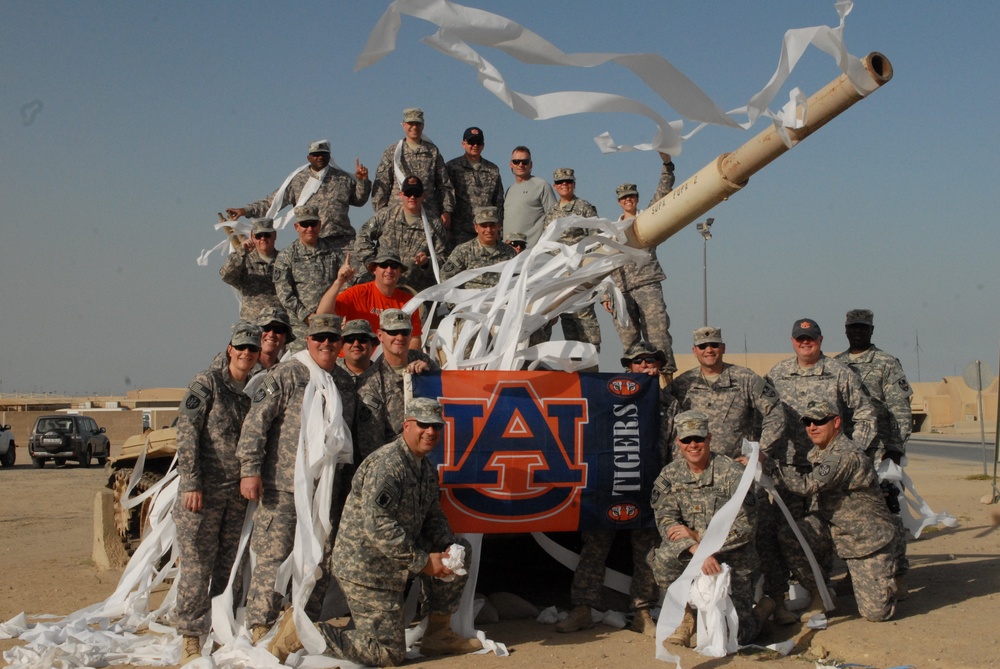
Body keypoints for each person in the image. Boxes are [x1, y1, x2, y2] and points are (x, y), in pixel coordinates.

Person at [268, 398, 482, 666]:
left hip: (394, 561)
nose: (430, 432)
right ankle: (302, 632)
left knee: (461, 550)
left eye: (436, 427)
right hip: (367, 568)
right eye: (423, 425)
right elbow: (378, 526)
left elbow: (432, 516)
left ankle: (438, 633)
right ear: (407, 426)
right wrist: (424, 562)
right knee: (387, 653)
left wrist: (447, 547)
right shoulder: (388, 466)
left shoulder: (423, 468)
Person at [236, 315, 356, 642]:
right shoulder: (287, 374)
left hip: (326, 491)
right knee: (273, 559)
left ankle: (301, 626)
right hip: (283, 487)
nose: (326, 344)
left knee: (320, 560)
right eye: (320, 337)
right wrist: (249, 470)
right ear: (308, 340)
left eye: (332, 338)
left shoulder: (343, 383)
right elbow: (256, 424)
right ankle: (260, 626)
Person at [667, 326, 792, 622]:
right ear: (694, 351)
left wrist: (760, 450)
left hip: (740, 479)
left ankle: (777, 600)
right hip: (700, 482)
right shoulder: (681, 386)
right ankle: (696, 611)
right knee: (698, 542)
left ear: (723, 347)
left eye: (714, 345)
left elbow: (775, 411)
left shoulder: (746, 379)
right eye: (703, 346)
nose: (709, 350)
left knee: (762, 538)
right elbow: (663, 417)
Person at [556, 341, 675, 637]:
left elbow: (675, 448)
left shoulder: (670, 404)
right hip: (610, 485)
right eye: (639, 363)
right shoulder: (607, 397)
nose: (645, 367)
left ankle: (643, 611)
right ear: (628, 368)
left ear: (659, 367)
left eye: (651, 362)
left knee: (647, 552)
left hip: (651, 489)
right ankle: (582, 607)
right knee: (595, 547)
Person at [766, 318, 877, 621]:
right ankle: (782, 597)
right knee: (783, 533)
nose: (806, 343)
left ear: (820, 340)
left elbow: (866, 414)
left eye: (811, 338)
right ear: (792, 341)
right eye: (800, 338)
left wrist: (849, 454)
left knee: (818, 535)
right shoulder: (776, 375)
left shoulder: (839, 373)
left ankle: (819, 594)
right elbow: (762, 414)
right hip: (788, 471)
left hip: (824, 473)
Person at [762, 400, 899, 622]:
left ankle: (895, 568)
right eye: (807, 422)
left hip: (865, 538)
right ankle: (821, 592)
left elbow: (808, 486)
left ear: (836, 422)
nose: (812, 427)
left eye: (819, 421)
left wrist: (767, 464)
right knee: (791, 535)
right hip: (833, 527)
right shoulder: (820, 452)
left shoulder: (844, 455)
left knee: (876, 614)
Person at [174, 322, 261, 665]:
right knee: (197, 567)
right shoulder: (207, 383)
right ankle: (191, 639)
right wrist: (191, 482)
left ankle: (222, 632)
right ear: (230, 349)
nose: (246, 353)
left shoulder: (254, 391)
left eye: (252, 349)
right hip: (203, 494)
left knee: (230, 569)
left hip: (236, 498)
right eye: (240, 347)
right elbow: (187, 431)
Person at [650, 410, 772, 648]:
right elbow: (666, 520)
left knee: (732, 637)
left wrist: (700, 539)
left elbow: (746, 527)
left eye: (698, 438)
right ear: (678, 442)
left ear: (709, 438)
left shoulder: (732, 473)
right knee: (664, 557)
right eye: (686, 440)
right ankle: (686, 618)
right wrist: (696, 549)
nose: (693, 445)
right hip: (694, 553)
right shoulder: (670, 475)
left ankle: (763, 610)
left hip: (733, 556)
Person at [834, 308, 913, 594]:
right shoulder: (837, 364)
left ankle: (898, 572)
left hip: (881, 452)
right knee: (852, 514)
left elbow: (900, 410)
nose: (857, 332)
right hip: (852, 452)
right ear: (845, 330)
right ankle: (857, 571)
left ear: (871, 330)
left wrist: (895, 448)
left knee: (888, 512)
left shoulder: (886, 363)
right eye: (853, 327)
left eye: (862, 328)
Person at [601, 155, 678, 377]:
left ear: (637, 198)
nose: (629, 200)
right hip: (621, 288)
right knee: (629, 338)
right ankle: (632, 382)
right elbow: (603, 263)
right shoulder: (611, 230)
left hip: (647, 282)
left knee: (658, 333)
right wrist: (606, 294)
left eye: (632, 196)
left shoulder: (646, 219)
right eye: (624, 198)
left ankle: (666, 380)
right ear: (619, 201)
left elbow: (663, 196)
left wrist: (667, 167)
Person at [227, 139, 371, 248]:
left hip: (343, 241)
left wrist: (362, 181)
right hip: (311, 243)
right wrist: (246, 210)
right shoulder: (298, 181)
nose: (320, 157)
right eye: (316, 155)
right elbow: (273, 202)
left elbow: (359, 200)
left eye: (324, 154)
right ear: (309, 158)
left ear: (329, 156)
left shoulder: (342, 178)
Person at [355, 309, 438, 462]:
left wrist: (430, 377)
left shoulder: (424, 361)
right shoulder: (371, 383)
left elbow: (447, 396)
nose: (399, 337)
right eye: (393, 332)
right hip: (395, 461)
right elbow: (371, 443)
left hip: (432, 456)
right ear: (380, 335)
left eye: (404, 332)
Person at [541, 167, 601, 355]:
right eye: (560, 182)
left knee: (585, 316)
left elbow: (598, 240)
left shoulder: (584, 208)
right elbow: (547, 246)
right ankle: (576, 366)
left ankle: (591, 361)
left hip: (582, 272)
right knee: (568, 320)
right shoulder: (551, 214)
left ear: (574, 184)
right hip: (560, 276)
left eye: (568, 181)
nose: (564, 185)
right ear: (555, 186)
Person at [273, 205, 350, 349]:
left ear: (319, 224)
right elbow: (285, 294)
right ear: (296, 226)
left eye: (313, 224)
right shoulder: (287, 256)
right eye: (304, 224)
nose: (309, 228)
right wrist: (307, 317)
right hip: (301, 328)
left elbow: (345, 284)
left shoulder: (334, 252)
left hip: (331, 324)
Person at [354, 175, 447, 292]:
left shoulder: (434, 224)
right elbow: (362, 238)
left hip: (415, 290)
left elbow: (443, 257)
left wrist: (426, 262)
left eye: (416, 194)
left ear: (424, 196)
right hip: (383, 287)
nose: (412, 197)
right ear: (401, 195)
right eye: (408, 193)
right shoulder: (386, 215)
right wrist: (372, 263)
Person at [317, 249, 423, 349]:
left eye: (394, 266)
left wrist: (405, 361)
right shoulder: (357, 293)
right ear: (374, 270)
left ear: (400, 271)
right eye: (384, 265)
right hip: (354, 359)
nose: (389, 270)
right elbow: (322, 315)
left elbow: (415, 338)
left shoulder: (408, 301)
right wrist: (339, 282)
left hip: (389, 363)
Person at [372, 108, 454, 230]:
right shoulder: (393, 151)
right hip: (397, 215)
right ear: (404, 125)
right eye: (410, 124)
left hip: (428, 215)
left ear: (423, 126)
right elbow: (382, 184)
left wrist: (447, 211)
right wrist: (382, 213)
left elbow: (444, 185)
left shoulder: (432, 152)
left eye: (418, 124)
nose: (414, 127)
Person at [446, 127, 504, 247]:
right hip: (461, 230)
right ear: (464, 144)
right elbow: (446, 195)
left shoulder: (492, 169)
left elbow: (498, 201)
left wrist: (498, 228)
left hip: (486, 229)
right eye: (471, 142)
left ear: (483, 145)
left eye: (478, 143)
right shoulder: (452, 167)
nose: (475, 146)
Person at [219, 217, 282, 321]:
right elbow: (226, 276)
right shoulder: (244, 261)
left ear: (274, 235)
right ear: (252, 236)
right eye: (258, 235)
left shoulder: (286, 259)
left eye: (267, 235)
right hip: (252, 326)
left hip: (279, 326)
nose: (263, 238)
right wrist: (241, 252)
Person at [440, 206, 517, 289]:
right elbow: (445, 277)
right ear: (476, 228)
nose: (489, 230)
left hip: (500, 299)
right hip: (471, 300)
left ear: (498, 226)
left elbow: (517, 279)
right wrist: (455, 300)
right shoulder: (464, 251)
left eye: (492, 225)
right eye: (484, 226)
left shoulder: (510, 253)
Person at [503, 145, 556, 248]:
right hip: (509, 252)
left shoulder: (542, 186)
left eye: (525, 162)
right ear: (511, 165)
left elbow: (554, 220)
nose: (520, 165)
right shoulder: (510, 190)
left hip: (531, 251)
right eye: (516, 161)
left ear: (531, 165)